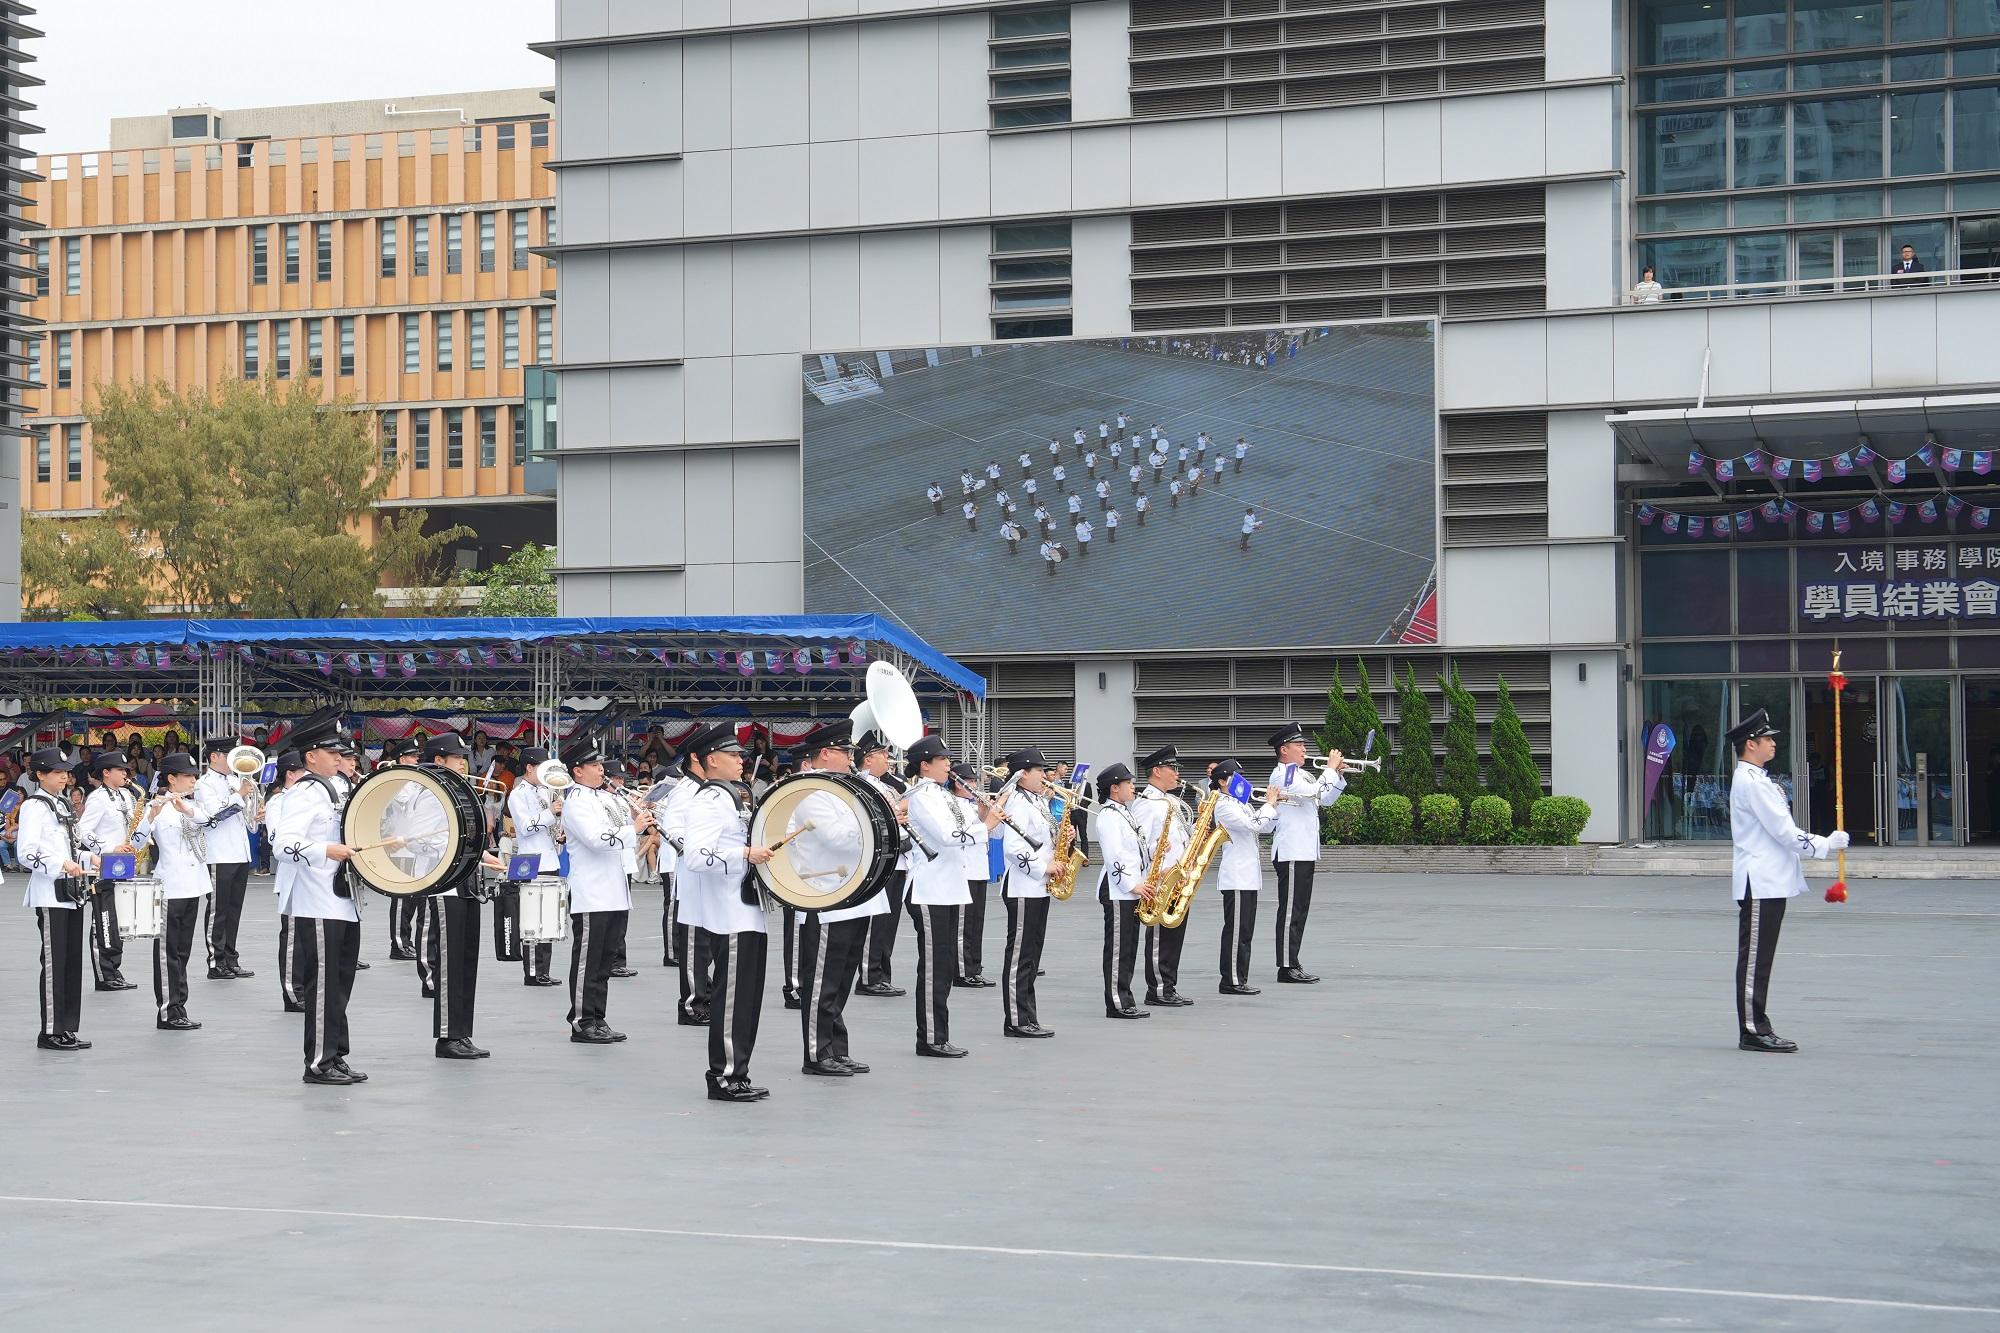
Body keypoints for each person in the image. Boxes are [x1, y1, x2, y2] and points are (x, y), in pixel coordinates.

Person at [1727, 708, 1846, 1053]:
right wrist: (1825, 843)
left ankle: (1756, 1025)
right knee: (1755, 960)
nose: (1773, 744)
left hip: (1769, 881)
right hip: (1760, 880)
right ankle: (1752, 1029)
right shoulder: (1752, 783)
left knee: (1760, 958)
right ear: (1750, 744)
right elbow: (1784, 833)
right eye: (1767, 739)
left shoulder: (1758, 780)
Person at [674, 722, 779, 1101]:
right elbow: (696, 857)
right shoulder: (708, 801)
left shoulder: (734, 797)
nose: (741, 759)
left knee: (748, 998)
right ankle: (723, 1076)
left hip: (747, 909)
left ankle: (738, 1072)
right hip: (729, 913)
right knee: (732, 998)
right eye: (733, 754)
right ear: (711, 760)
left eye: (740, 754)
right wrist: (744, 853)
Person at [789, 720, 884, 1077]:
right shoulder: (811, 791)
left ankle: (836, 1047)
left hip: (853, 894)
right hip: (824, 897)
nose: (851, 758)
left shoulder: (842, 788)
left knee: (842, 978)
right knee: (822, 982)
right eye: (845, 752)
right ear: (825, 754)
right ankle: (816, 1053)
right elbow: (836, 839)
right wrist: (878, 823)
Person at [276, 728, 366, 1086]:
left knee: (341, 983)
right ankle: (318, 1062)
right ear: (311, 757)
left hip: (345, 899)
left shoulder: (341, 789)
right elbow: (283, 844)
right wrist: (324, 850)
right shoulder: (305, 793)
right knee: (324, 985)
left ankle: (337, 1054)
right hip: (318, 900)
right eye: (332, 753)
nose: (339, 758)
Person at [902, 735, 997, 1057]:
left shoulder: (948, 797)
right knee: (933, 966)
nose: (949, 766)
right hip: (929, 888)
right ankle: (929, 1037)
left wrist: (985, 815)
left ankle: (938, 1035)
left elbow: (973, 829)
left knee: (943, 966)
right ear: (925, 765)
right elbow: (947, 836)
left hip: (949, 887)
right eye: (942, 761)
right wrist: (985, 826)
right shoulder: (921, 796)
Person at [415, 733, 502, 1059]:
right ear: (439, 761)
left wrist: (482, 855)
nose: (464, 763)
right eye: (457, 758)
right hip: (444, 883)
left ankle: (463, 1032)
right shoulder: (426, 792)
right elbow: (418, 838)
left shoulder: (457, 792)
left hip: (465, 881)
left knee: (466, 961)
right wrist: (471, 853)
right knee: (450, 963)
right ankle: (448, 1036)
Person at [559, 749, 635, 1045]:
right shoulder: (576, 801)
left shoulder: (602, 798)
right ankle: (581, 1020)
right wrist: (633, 829)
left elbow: (616, 825)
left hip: (613, 890)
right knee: (588, 961)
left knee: (604, 961)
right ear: (578, 771)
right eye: (594, 765)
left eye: (601, 765)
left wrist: (636, 811)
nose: (601, 770)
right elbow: (596, 839)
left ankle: (597, 1017)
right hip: (591, 892)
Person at [21, 747, 92, 1050]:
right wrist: (59, 864)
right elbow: (26, 852)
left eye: (65, 772)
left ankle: (67, 1027)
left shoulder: (61, 803)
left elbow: (71, 846)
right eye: (56, 772)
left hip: (71, 890)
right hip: (50, 892)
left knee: (71, 962)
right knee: (54, 963)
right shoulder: (34, 807)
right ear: (39, 774)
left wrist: (90, 858)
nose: (64, 776)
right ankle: (50, 1030)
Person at [1266, 722, 1346, 984]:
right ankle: (1286, 967)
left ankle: (1293, 961)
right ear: (1284, 750)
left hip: (1304, 850)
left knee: (1300, 909)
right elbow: (1313, 793)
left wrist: (1338, 776)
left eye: (1303, 744)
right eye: (1299, 745)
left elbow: (1325, 799)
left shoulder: (1303, 774)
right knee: (1290, 910)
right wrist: (1330, 769)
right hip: (1291, 850)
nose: (1304, 749)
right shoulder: (1283, 776)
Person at [139, 753, 210, 1031]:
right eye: (188, 775)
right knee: (168, 951)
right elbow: (135, 842)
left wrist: (187, 809)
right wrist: (151, 816)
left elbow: (209, 821)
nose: (194, 780)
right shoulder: (155, 807)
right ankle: (168, 1009)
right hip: (170, 886)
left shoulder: (194, 807)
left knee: (183, 950)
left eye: (194, 776)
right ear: (171, 779)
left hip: (194, 884)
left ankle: (180, 1004)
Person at [997, 748, 1055, 1038]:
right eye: (1039, 771)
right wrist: (1045, 867)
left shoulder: (1036, 801)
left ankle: (1028, 1015)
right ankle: (1017, 1020)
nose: (1045, 776)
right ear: (1023, 774)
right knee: (1021, 956)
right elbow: (1013, 848)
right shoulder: (1018, 803)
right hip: (1023, 886)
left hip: (1037, 887)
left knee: (1032, 956)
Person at [1209, 760, 1277, 995]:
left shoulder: (1241, 804)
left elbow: (1266, 827)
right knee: (1236, 931)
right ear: (1222, 781)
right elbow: (1253, 825)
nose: (1242, 781)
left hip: (1248, 876)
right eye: (1236, 777)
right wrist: (1269, 804)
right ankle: (1230, 980)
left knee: (1245, 931)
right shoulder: (1224, 806)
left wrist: (1276, 806)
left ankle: (1240, 977)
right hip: (1236, 876)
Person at [76, 751, 142, 993]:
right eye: (120, 770)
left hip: (124, 863)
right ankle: (105, 973)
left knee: (118, 920)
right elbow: (83, 831)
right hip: (105, 864)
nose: (125, 774)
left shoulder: (127, 795)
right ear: (106, 773)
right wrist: (107, 847)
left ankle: (115, 968)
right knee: (103, 919)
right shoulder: (97, 798)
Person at [1134, 745, 1194, 1008]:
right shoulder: (1148, 803)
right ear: (1157, 771)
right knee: (1161, 936)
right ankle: (1158, 989)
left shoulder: (1168, 800)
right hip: (1161, 880)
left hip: (1177, 878)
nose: (1177, 774)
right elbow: (1141, 843)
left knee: (1174, 935)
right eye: (1173, 768)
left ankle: (1168, 985)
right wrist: (1157, 874)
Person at [1091, 763, 1152, 1020]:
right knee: (1118, 948)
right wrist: (1131, 884)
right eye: (1128, 783)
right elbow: (1114, 855)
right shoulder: (1108, 816)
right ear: (1115, 788)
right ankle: (1117, 1002)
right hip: (1119, 889)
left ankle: (1125, 998)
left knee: (1128, 946)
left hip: (1131, 888)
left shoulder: (1124, 813)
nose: (1133, 787)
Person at [194, 737, 256, 981]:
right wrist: (239, 796)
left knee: (233, 909)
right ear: (214, 757)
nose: (234, 761)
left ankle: (231, 957)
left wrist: (254, 811)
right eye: (228, 755)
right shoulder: (204, 784)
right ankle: (215, 961)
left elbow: (243, 814)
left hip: (238, 851)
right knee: (218, 910)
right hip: (219, 853)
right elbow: (214, 815)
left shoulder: (234, 780)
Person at [854, 731, 909, 999]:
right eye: (882, 755)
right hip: (880, 859)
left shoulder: (886, 783)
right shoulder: (864, 784)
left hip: (897, 858)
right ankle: (869, 974)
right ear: (868, 759)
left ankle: (881, 973)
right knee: (876, 919)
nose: (887, 759)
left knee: (889, 921)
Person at [498, 746, 560, 986]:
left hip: (549, 857)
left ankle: (544, 970)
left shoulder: (544, 791)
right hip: (530, 860)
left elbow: (548, 825)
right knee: (533, 919)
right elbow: (525, 827)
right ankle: (533, 971)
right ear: (529, 768)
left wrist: (558, 829)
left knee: (549, 918)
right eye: (541, 768)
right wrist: (550, 815)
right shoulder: (518, 794)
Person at [265, 750, 308, 1012]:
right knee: (293, 938)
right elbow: (275, 838)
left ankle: (305, 987)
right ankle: (293, 992)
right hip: (292, 876)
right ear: (291, 774)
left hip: (312, 877)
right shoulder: (278, 802)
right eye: (302, 772)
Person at [948, 762, 994, 989]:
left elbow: (990, 832)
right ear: (958, 783)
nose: (975, 785)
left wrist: (986, 810)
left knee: (977, 922)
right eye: (971, 781)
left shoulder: (971, 804)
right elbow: (968, 832)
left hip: (979, 868)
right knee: (963, 925)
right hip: (964, 869)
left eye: (976, 781)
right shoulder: (953, 804)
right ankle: (963, 970)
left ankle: (975, 967)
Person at [379, 741, 423, 960]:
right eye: (414, 757)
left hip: (413, 846)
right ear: (403, 759)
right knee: (402, 900)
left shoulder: (414, 782)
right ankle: (398, 943)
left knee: (413, 899)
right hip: (400, 847)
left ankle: (407, 940)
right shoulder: (396, 781)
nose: (417, 760)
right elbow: (407, 804)